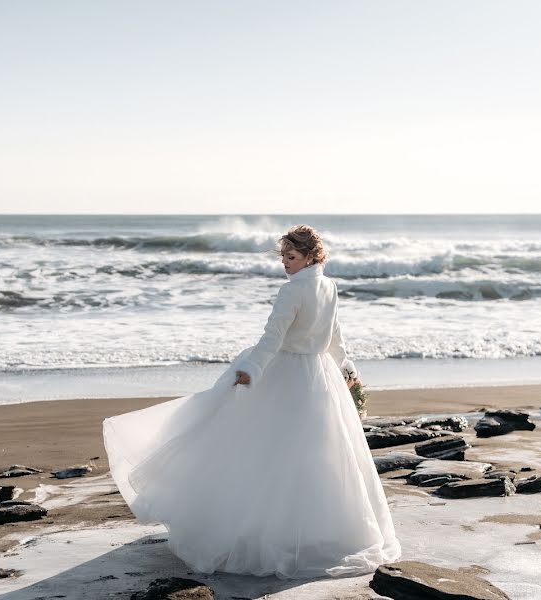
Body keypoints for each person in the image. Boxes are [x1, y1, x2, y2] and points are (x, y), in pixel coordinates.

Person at [103, 224, 401, 579]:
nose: (285, 264)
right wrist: (346, 370)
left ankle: (271, 534)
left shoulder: (292, 291)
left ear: (310, 256)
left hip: (287, 375)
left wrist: (252, 369)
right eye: (282, 257)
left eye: (291, 257)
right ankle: (318, 532)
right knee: (314, 455)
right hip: (320, 377)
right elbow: (335, 339)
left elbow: (273, 337)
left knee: (268, 453)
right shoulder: (328, 286)